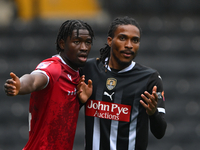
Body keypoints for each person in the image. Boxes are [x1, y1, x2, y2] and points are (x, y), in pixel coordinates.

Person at [79, 16, 167, 150]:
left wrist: (153, 113)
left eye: (135, 40)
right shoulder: (88, 69)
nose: (129, 45)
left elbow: (160, 132)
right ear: (110, 41)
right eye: (122, 38)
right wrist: (78, 102)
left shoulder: (150, 78)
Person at [4, 19, 94, 150]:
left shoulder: (77, 75)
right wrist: (20, 85)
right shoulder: (54, 68)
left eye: (88, 42)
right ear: (62, 44)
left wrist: (79, 102)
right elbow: (34, 80)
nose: (84, 48)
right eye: (77, 42)